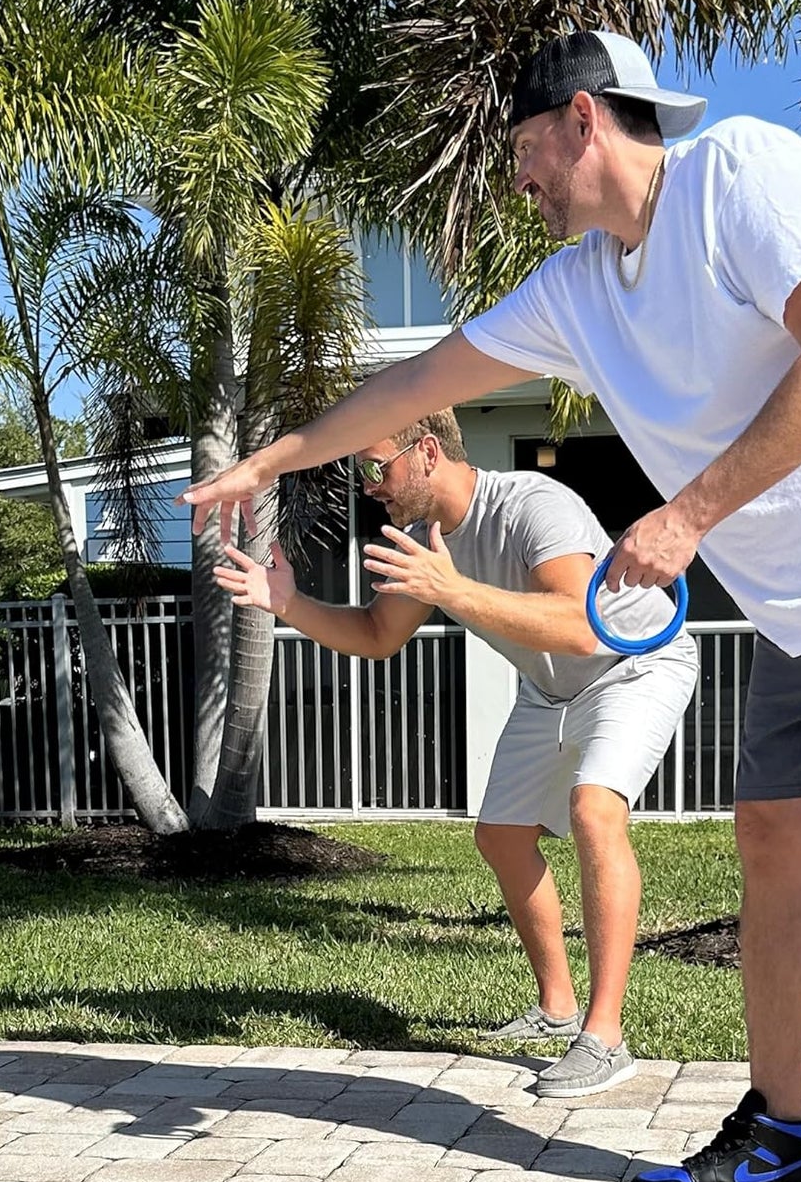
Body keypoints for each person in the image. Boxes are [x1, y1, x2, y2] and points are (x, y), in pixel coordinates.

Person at [181, 29, 801, 1182]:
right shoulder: (574, 288)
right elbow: (412, 388)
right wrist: (271, 460)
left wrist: (686, 514)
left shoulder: (737, 174)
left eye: (520, 151)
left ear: (582, 118)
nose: (518, 180)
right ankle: (777, 1128)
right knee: (767, 833)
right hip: (794, 616)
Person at [215, 408, 697, 1097]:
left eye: (375, 465)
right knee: (500, 836)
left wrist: (453, 590)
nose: (368, 485)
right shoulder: (421, 535)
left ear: (427, 451)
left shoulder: (535, 503)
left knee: (594, 812)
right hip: (548, 686)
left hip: (633, 665)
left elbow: (580, 625)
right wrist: (286, 602)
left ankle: (605, 1034)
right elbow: (379, 634)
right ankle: (557, 1008)